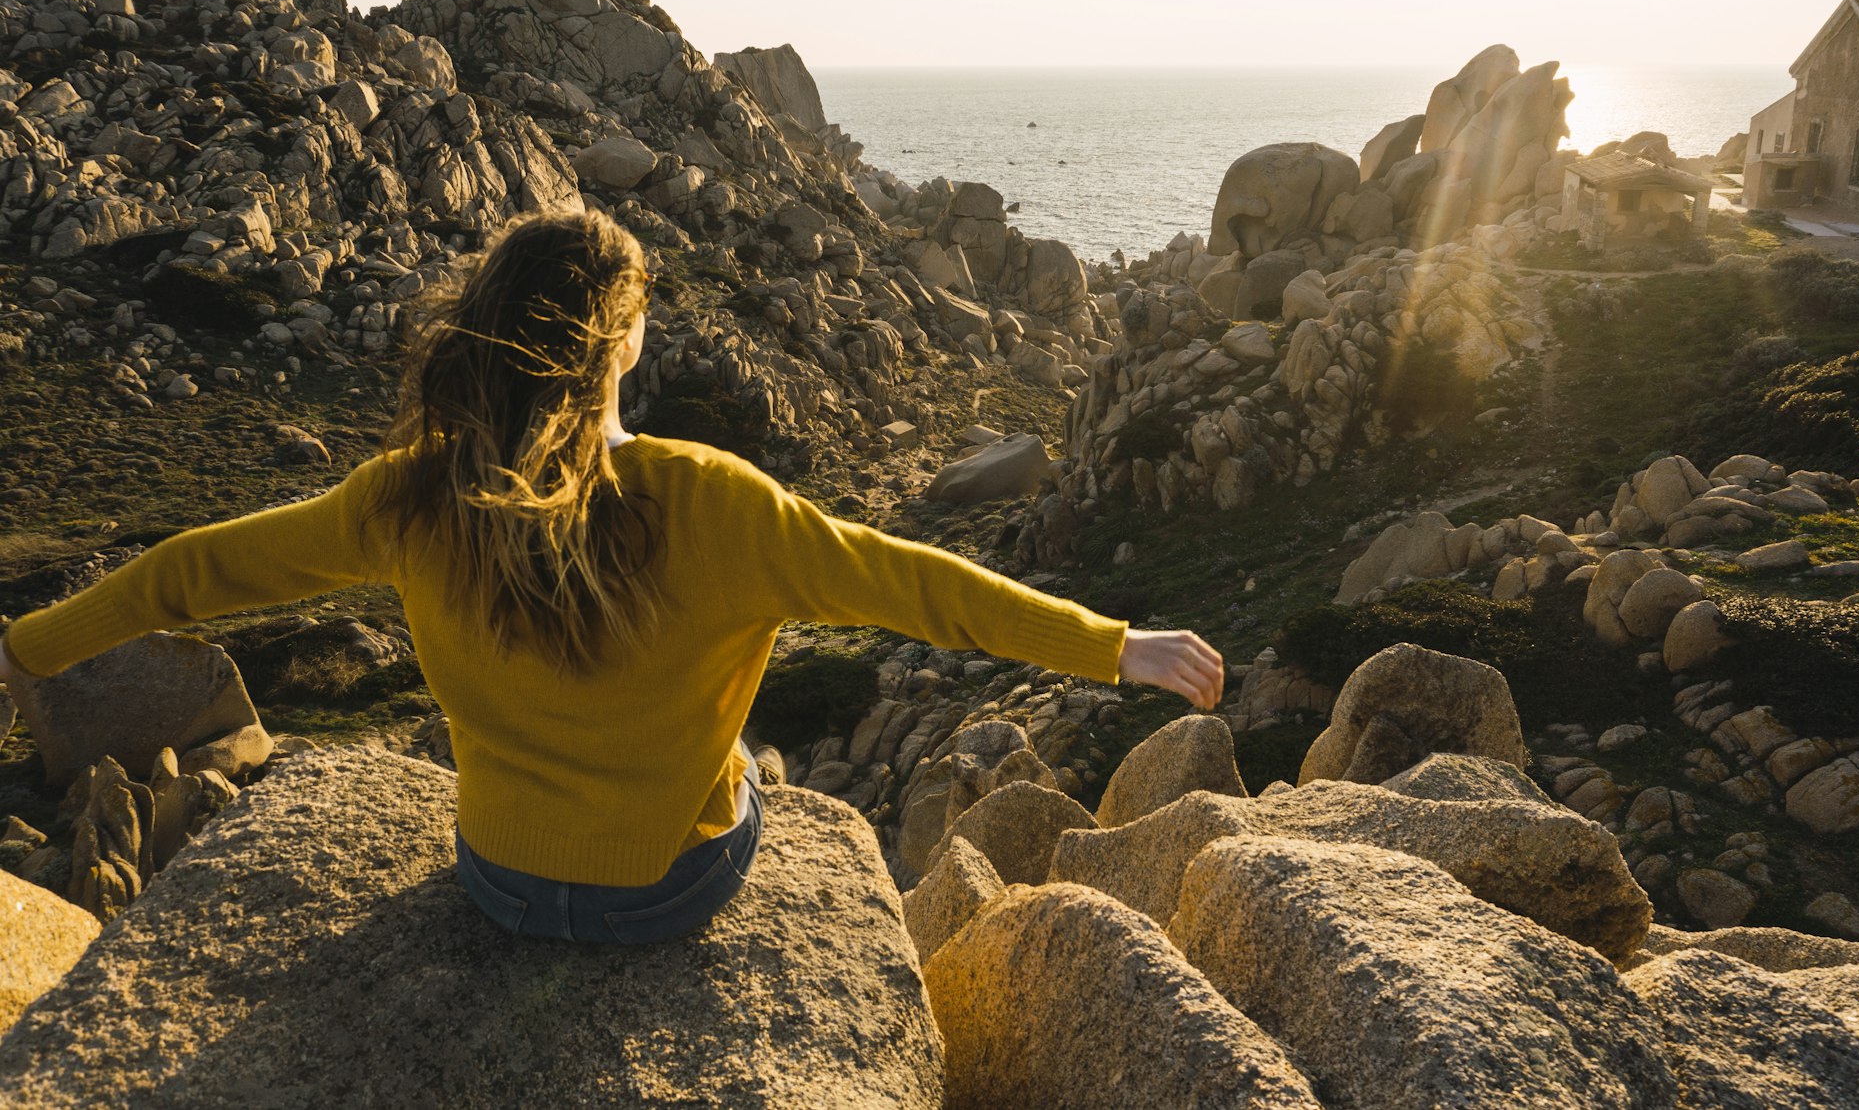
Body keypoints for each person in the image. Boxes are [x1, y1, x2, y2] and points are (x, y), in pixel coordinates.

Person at [0, 208, 1224, 944]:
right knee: (743, 766)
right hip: (662, 894)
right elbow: (915, 584)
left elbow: (194, 572)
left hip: (496, 879)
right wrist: (1114, 646)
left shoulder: (411, 493)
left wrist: (34, 647)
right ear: (623, 339)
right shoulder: (714, 500)